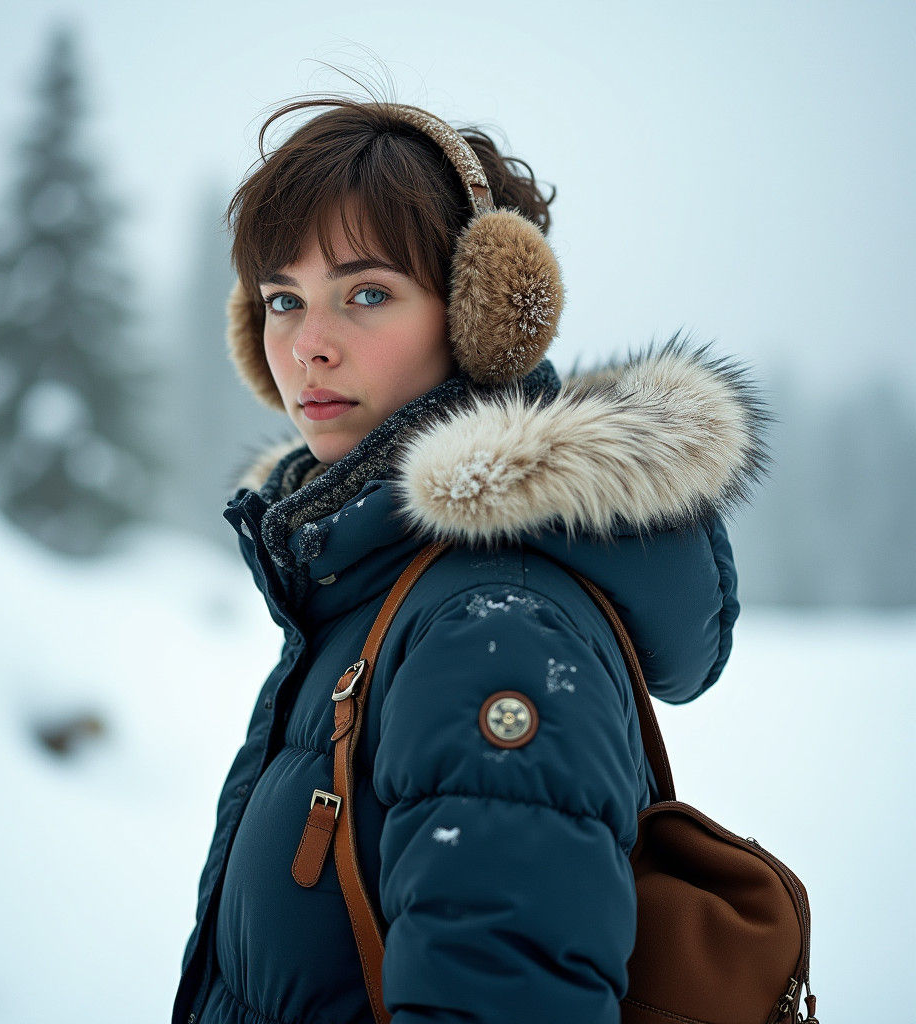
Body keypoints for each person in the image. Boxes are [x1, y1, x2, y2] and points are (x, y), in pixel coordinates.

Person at [172, 95, 769, 1024]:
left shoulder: (493, 625)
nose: (307, 345)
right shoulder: (375, 581)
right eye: (283, 299)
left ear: (483, 317)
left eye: (366, 293)